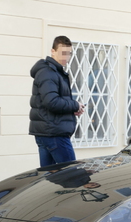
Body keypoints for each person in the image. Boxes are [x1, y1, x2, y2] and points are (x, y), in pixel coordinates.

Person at [29, 35, 85, 167]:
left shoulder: (52, 71)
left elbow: (50, 102)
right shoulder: (49, 72)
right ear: (53, 51)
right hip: (54, 133)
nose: (66, 57)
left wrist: (73, 109)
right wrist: (75, 104)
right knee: (73, 175)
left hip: (47, 131)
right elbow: (52, 102)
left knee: (49, 178)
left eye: (69, 53)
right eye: (63, 53)